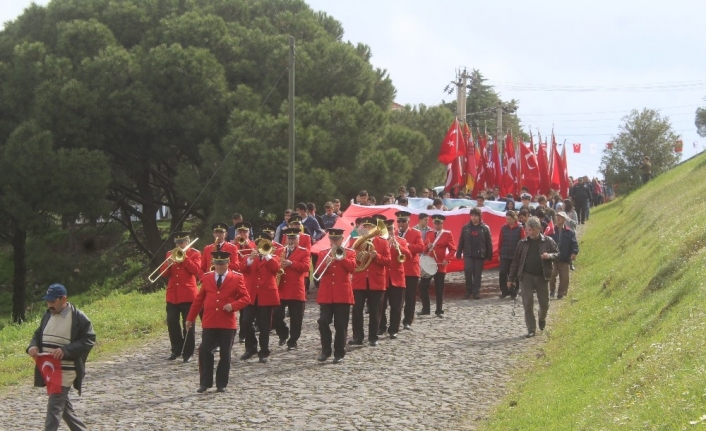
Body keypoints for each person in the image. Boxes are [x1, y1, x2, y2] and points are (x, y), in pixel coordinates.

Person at [27, 283, 96, 431]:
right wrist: (32, 346)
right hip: (50, 371)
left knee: (54, 409)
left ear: (63, 299)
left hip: (65, 371)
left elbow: (89, 339)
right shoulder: (47, 315)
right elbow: (37, 334)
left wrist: (66, 350)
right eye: (48, 301)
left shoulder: (78, 317)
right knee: (64, 409)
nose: (49, 304)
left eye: (53, 301)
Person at [186, 252, 250, 393]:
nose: (219, 267)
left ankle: (221, 383)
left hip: (227, 322)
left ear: (227, 263)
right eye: (217, 264)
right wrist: (190, 318)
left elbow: (246, 298)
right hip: (209, 321)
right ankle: (205, 382)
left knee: (225, 354)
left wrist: (233, 305)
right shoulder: (208, 277)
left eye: (222, 264)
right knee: (205, 351)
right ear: (213, 264)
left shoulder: (236, 278)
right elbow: (198, 300)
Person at [507, 217, 558, 338]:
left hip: (542, 276)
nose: (530, 232)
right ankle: (531, 329)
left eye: (533, 230)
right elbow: (515, 262)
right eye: (528, 230)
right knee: (527, 302)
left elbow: (558, 254)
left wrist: (549, 256)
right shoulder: (522, 243)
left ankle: (542, 317)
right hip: (526, 277)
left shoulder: (548, 241)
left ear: (539, 229)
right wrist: (510, 279)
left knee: (544, 304)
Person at [315, 228, 357, 363]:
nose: (334, 242)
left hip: (342, 295)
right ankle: (325, 350)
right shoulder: (323, 254)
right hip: (326, 294)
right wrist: (325, 265)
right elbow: (316, 273)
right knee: (323, 321)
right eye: (332, 239)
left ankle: (339, 352)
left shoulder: (350, 253)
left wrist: (341, 258)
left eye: (337, 239)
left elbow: (352, 268)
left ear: (342, 239)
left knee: (340, 325)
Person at [348, 217, 391, 346]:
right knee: (357, 310)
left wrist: (376, 256)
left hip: (376, 281)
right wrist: (359, 255)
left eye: (370, 227)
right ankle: (357, 337)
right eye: (365, 227)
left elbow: (388, 261)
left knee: (375, 310)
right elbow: (351, 258)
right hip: (359, 280)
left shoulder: (383, 242)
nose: (367, 229)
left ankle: (373, 337)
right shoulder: (357, 242)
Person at [240, 233, 282, 363]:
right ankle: (251, 347)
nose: (260, 247)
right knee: (246, 321)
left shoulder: (273, 257)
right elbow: (242, 269)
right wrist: (249, 260)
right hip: (251, 295)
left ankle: (264, 350)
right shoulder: (249, 257)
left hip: (266, 295)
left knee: (265, 325)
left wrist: (267, 256)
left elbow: (276, 269)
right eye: (259, 244)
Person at [161, 231, 201, 363]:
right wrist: (168, 264)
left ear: (187, 242)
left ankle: (188, 352)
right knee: (172, 322)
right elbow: (164, 274)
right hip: (173, 296)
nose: (179, 245)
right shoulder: (169, 254)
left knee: (188, 325)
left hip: (189, 295)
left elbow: (196, 271)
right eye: (177, 243)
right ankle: (176, 349)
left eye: (182, 242)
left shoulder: (195, 253)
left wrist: (185, 259)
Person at [273, 228, 311, 350]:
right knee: (276, 315)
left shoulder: (304, 252)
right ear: (286, 239)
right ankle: (283, 333)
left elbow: (306, 267)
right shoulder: (279, 251)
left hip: (295, 289)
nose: (291, 240)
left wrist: (291, 263)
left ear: (298, 240)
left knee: (296, 318)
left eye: (294, 238)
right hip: (281, 289)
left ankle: (293, 341)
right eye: (290, 238)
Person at [378, 219, 412, 339]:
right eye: (387, 229)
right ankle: (381, 326)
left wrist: (398, 247)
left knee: (397, 306)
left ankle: (394, 329)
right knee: (381, 305)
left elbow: (408, 255)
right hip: (383, 278)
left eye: (391, 229)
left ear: (394, 229)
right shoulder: (380, 242)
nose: (390, 231)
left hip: (397, 278)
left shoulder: (401, 241)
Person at [418, 214, 456, 317]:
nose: (436, 225)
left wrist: (446, 260)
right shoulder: (429, 233)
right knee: (423, 286)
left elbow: (453, 249)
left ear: (442, 224)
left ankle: (439, 310)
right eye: (435, 223)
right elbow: (424, 247)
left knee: (439, 288)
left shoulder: (447, 234)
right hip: (429, 264)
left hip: (440, 265)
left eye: (438, 223)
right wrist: (427, 246)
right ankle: (426, 308)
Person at [456, 207, 493, 299]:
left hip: (480, 255)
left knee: (477, 273)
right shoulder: (465, 227)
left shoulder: (485, 228)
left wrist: (489, 255)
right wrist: (459, 252)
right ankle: (468, 290)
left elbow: (489, 242)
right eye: (472, 215)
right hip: (468, 254)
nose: (473, 217)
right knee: (468, 271)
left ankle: (476, 291)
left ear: (479, 216)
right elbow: (461, 240)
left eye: (475, 216)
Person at [398, 211, 425, 330]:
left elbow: (421, 247)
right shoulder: (394, 233)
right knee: (398, 298)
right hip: (398, 270)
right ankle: (396, 320)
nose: (401, 223)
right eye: (399, 221)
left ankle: (408, 320)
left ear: (408, 222)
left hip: (411, 270)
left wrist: (406, 244)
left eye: (403, 221)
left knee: (410, 297)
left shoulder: (416, 233)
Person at [549, 212, 579, 299]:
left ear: (564, 220)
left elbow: (574, 244)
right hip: (553, 258)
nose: (558, 219)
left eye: (561, 217)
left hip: (565, 258)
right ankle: (552, 290)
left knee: (564, 277)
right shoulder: (551, 231)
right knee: (552, 275)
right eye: (557, 217)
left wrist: (574, 252)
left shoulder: (570, 232)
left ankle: (561, 293)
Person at [497, 211, 525, 299]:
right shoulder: (503, 228)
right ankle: (504, 291)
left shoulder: (520, 228)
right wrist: (499, 254)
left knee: (514, 274)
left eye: (509, 219)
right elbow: (500, 242)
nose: (508, 221)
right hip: (505, 254)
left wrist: (522, 254)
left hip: (515, 255)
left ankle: (514, 291)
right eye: (507, 219)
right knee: (502, 272)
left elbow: (523, 241)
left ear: (514, 219)